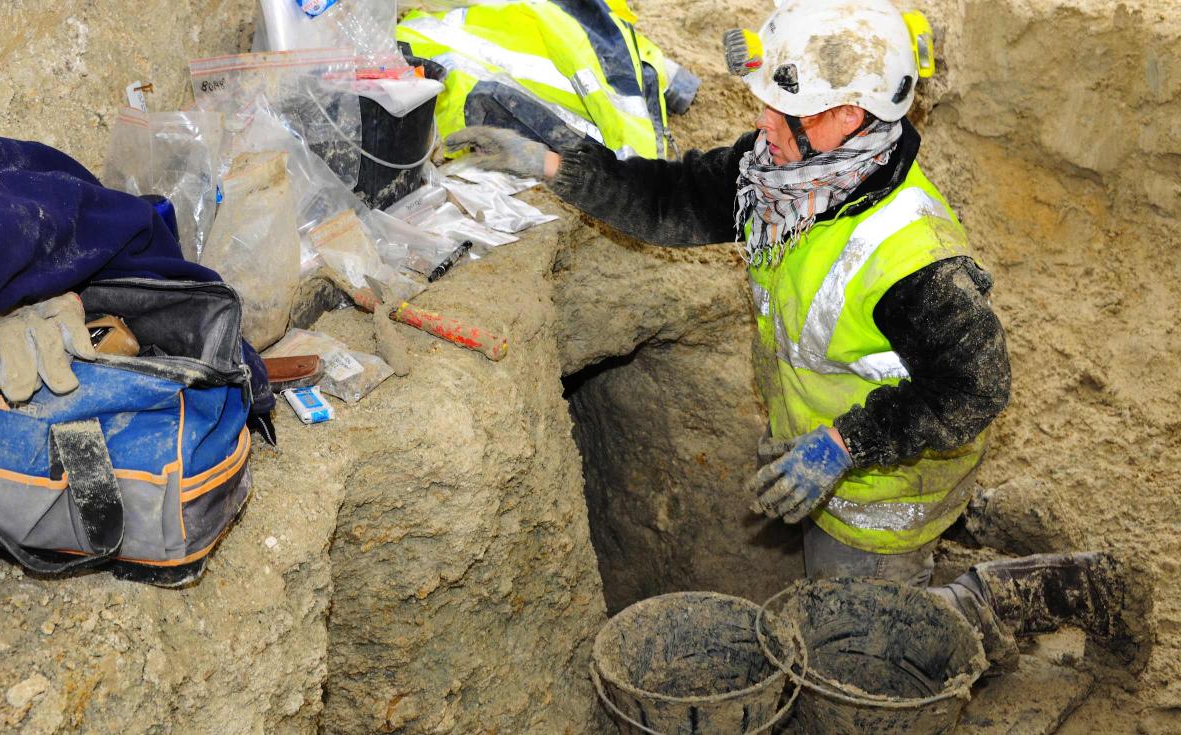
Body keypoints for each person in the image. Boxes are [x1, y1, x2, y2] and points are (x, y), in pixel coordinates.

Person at [445, 0, 1140, 666]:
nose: (764, 123)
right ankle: (951, 548)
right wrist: (556, 165)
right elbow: (672, 202)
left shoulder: (914, 261)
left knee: (864, 655)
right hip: (826, 439)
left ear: (847, 113)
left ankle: (1013, 596)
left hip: (888, 481)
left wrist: (843, 445)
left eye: (787, 109)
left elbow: (975, 389)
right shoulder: (783, 176)